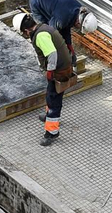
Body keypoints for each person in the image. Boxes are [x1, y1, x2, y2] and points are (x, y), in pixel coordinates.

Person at [11, 11, 76, 147]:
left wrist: (50, 71)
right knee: (51, 95)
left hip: (59, 71)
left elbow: (52, 54)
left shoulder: (40, 36)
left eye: (24, 33)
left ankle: (52, 132)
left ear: (26, 30)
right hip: (63, 67)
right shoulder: (43, 28)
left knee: (54, 100)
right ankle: (49, 117)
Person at [27, 0, 100, 65]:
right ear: (79, 22)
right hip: (36, 2)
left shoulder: (77, 10)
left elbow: (66, 27)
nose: (78, 29)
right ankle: (43, 60)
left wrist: (69, 45)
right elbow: (50, 31)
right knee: (43, 30)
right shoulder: (63, 19)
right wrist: (59, 54)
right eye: (80, 28)